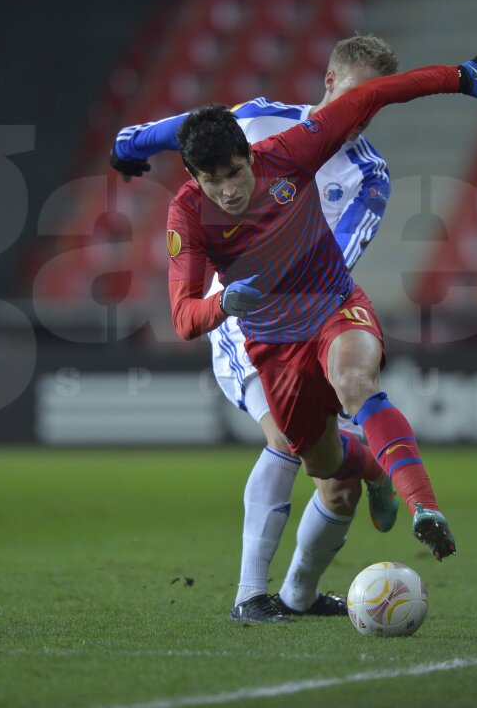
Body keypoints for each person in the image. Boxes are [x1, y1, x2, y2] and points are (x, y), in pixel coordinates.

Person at [163, 53, 477, 617]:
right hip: (273, 347)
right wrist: (222, 303)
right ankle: (372, 468)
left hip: (333, 306)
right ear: (193, 177)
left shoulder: (291, 151)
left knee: (355, 381)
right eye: (212, 181)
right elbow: (183, 317)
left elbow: (370, 96)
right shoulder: (186, 215)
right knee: (324, 467)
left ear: (249, 154)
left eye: (234, 172)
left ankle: (422, 506)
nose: (228, 190)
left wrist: (459, 77)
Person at [112, 35, 403, 622]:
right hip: (242, 316)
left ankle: (299, 594)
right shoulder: (262, 121)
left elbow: (339, 258)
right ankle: (249, 595)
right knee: (286, 441)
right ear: (330, 82)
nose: (364, 110)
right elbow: (191, 130)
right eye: (358, 94)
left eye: (377, 101)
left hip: (311, 317)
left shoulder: (370, 175)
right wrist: (129, 145)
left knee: (336, 486)